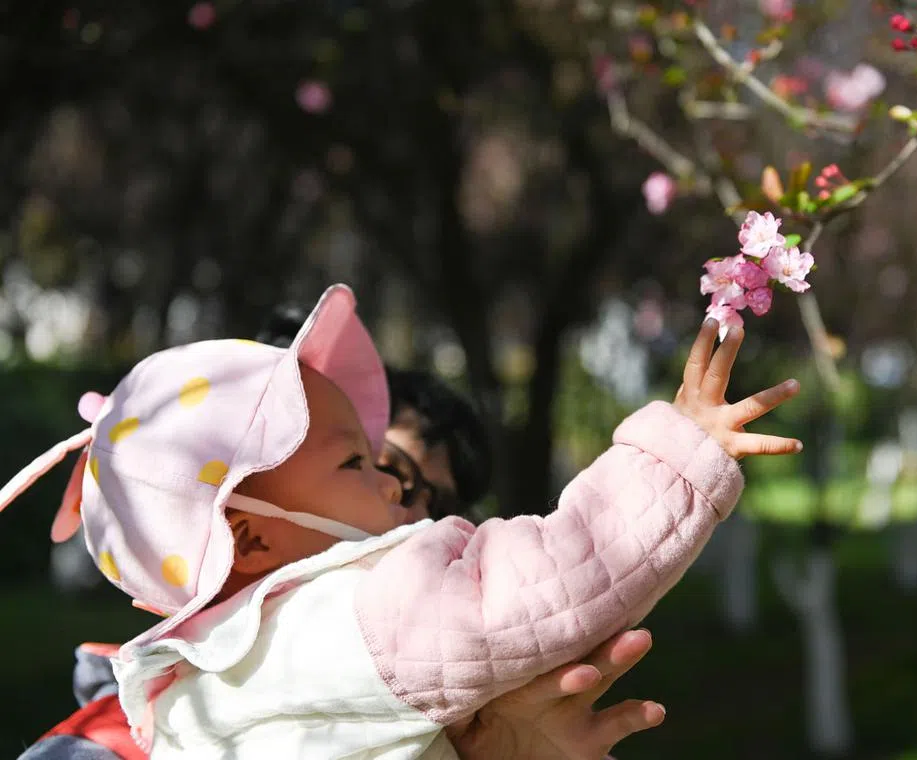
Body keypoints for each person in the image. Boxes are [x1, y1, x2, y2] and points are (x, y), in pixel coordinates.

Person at [2, 284, 800, 758]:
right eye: (362, 463)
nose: (397, 497)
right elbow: (556, 574)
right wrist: (677, 455)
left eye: (438, 504)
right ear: (251, 533)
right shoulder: (351, 614)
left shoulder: (198, 686)